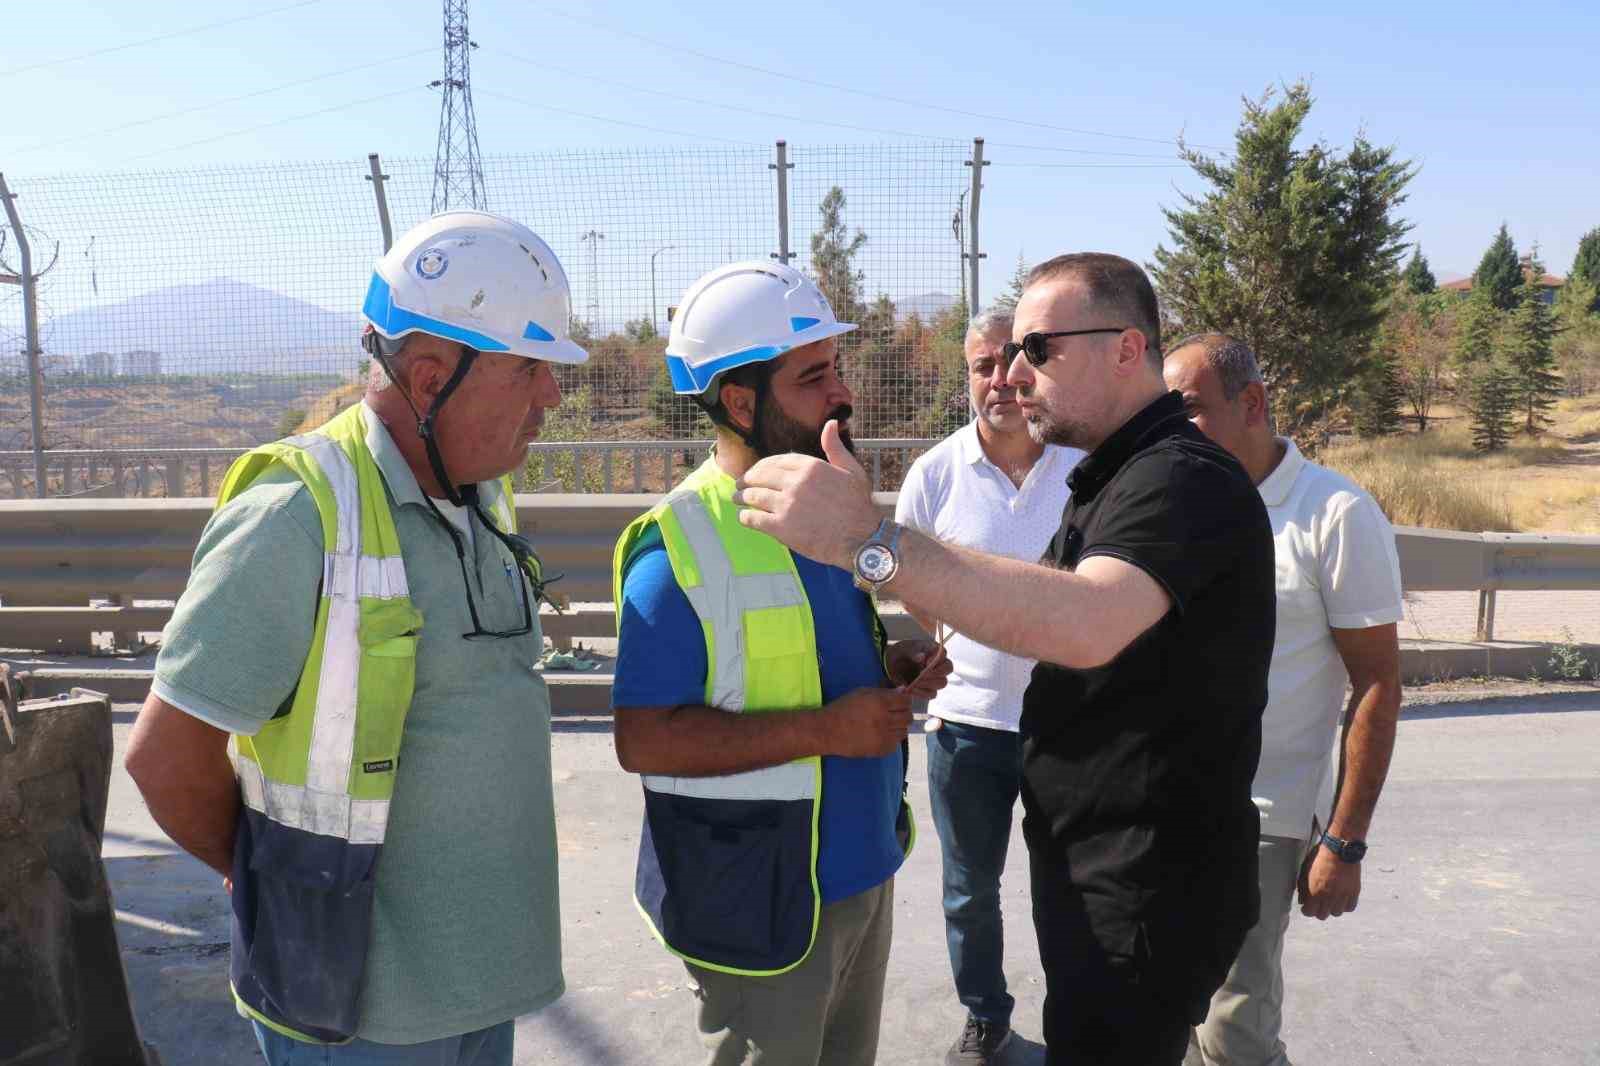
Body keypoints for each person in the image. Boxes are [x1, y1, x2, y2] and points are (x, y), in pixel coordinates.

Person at [733, 252, 1277, 1065]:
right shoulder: (1118, 471)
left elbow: (1088, 620)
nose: (1015, 375)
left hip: (1145, 885)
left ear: (1129, 349)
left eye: (1039, 350)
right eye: (1009, 354)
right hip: (1111, 869)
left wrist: (869, 542)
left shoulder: (1179, 477)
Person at [124, 211, 587, 1065]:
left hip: (483, 995)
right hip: (356, 1018)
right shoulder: (297, 517)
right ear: (425, 377)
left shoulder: (478, 495)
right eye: (528, 369)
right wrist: (272, 882)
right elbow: (165, 757)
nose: (551, 398)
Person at [609, 260, 950, 1066]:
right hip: (763, 901)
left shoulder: (823, 516)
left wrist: (887, 670)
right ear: (739, 401)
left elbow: (803, 658)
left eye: (836, 368)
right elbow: (644, 741)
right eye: (814, 376)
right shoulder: (676, 550)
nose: (842, 394)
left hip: (862, 869)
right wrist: (832, 728)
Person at [1163, 334, 1403, 1066]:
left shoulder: (1334, 514)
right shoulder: (1173, 503)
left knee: (1235, 1034)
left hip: (1262, 818)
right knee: (1157, 1016)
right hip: (1162, 807)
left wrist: (1344, 840)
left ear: (1254, 404)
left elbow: (1378, 683)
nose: (1174, 431)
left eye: (1192, 411)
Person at [894, 305, 1082, 1064]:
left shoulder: (1082, 465)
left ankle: (1082, 1022)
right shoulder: (936, 474)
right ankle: (986, 1017)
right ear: (966, 376)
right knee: (971, 893)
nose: (1000, 379)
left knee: (1070, 890)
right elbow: (906, 572)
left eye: (1014, 359)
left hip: (1070, 724)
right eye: (982, 365)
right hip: (967, 724)